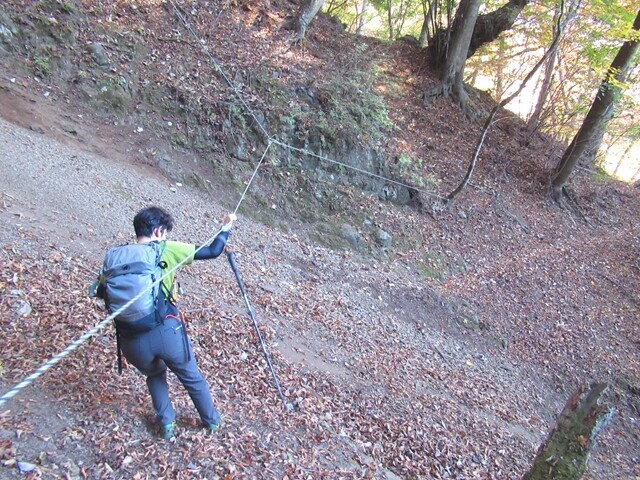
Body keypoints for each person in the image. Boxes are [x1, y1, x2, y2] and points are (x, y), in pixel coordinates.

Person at [113, 206, 235, 439]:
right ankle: (212, 422)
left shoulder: (116, 257)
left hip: (130, 340)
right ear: (158, 231)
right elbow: (213, 251)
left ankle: (167, 425)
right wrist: (226, 227)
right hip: (165, 331)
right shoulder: (165, 248)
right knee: (190, 375)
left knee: (155, 374)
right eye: (165, 233)